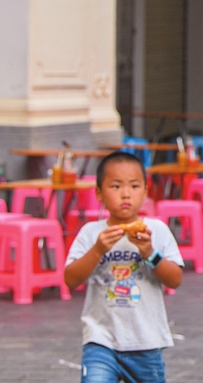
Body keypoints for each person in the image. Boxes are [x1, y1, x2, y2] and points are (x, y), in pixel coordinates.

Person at [64, 152, 184, 383]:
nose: (126, 194)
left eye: (134, 186)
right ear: (99, 193)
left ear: (145, 192)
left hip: (146, 341)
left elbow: (175, 279)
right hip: (101, 340)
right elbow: (70, 279)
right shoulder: (91, 233)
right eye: (116, 186)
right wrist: (97, 250)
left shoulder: (156, 231)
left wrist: (150, 253)